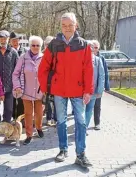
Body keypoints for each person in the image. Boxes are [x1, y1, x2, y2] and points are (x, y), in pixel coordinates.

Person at [38, 12, 94, 167]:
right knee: (61, 121)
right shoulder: (54, 44)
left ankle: (81, 154)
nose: (67, 28)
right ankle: (63, 149)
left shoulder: (84, 45)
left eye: (70, 25)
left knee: (81, 122)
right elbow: (43, 68)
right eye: (64, 25)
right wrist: (45, 88)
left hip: (78, 90)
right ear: (61, 26)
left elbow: (88, 69)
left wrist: (88, 90)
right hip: (59, 90)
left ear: (76, 25)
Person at [13, 36, 44, 145]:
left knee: (39, 113)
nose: (35, 47)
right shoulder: (23, 57)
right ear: (29, 46)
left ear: (41, 46)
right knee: (28, 113)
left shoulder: (44, 58)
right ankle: (29, 134)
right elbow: (15, 73)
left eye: (38, 45)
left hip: (40, 91)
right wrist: (17, 86)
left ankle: (39, 128)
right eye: (33, 45)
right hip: (26, 90)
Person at [0, 30, 19, 131]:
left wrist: (17, 84)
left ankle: (6, 124)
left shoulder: (13, 52)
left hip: (9, 85)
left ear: (8, 39)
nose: (3, 40)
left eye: (5, 38)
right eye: (1, 37)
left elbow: (17, 69)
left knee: (9, 109)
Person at [85, 41, 105, 133]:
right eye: (88, 47)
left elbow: (101, 75)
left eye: (92, 47)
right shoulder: (79, 59)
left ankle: (84, 128)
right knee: (80, 111)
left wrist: (100, 90)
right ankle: (81, 126)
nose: (90, 49)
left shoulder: (97, 60)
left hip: (92, 91)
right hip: (79, 90)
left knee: (89, 110)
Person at [92, 40, 110, 130]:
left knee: (97, 105)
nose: (94, 49)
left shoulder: (101, 58)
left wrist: (107, 86)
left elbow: (105, 73)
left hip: (98, 86)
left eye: (96, 48)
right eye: (92, 47)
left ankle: (97, 123)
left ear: (98, 48)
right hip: (89, 86)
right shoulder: (86, 57)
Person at [10, 32, 26, 120]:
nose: (15, 42)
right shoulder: (8, 51)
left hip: (22, 78)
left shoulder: (25, 51)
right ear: (10, 42)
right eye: (13, 40)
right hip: (11, 78)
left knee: (21, 100)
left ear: (19, 40)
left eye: (16, 40)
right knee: (11, 100)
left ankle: (21, 118)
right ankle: (13, 117)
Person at [43, 36, 57, 126]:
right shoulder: (42, 54)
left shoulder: (57, 54)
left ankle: (55, 119)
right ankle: (48, 118)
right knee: (47, 101)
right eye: (47, 44)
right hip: (46, 82)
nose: (49, 46)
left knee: (56, 102)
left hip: (56, 82)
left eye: (50, 44)